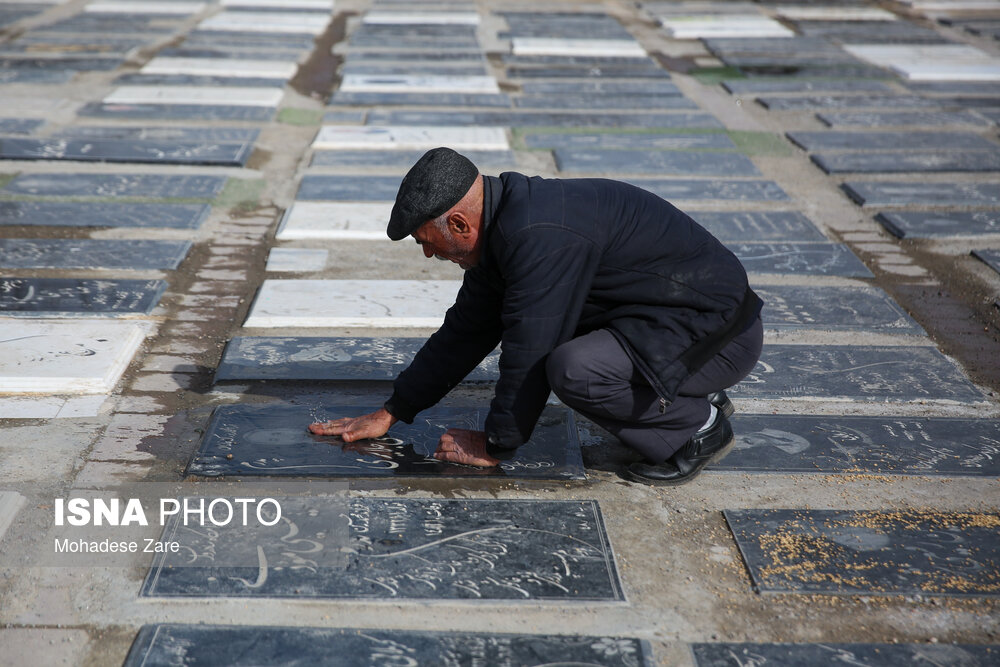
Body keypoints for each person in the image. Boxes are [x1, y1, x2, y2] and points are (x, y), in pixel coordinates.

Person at [308, 147, 764, 485]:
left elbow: (530, 348)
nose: (429, 254)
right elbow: (466, 331)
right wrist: (394, 410)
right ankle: (681, 401)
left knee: (574, 370)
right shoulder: (508, 220)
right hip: (677, 327)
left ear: (463, 224)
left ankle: (697, 427)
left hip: (720, 339)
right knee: (565, 345)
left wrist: (495, 442)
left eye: (428, 240)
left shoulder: (538, 236)